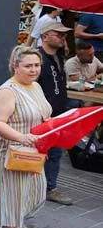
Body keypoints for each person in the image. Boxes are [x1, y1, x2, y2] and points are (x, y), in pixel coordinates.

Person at [0, 46, 52, 228]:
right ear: (15, 66)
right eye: (28, 66)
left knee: (36, 193)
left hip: (32, 152)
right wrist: (21, 137)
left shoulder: (35, 86)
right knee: (13, 199)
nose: (33, 70)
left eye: (36, 65)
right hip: (7, 151)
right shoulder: (7, 91)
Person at [37, 21, 73, 206]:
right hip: (41, 115)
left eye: (64, 35)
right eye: (58, 34)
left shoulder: (58, 57)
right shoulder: (38, 58)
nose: (62, 38)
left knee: (56, 152)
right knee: (38, 151)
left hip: (58, 113)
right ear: (45, 36)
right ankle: (37, 187)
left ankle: (50, 187)